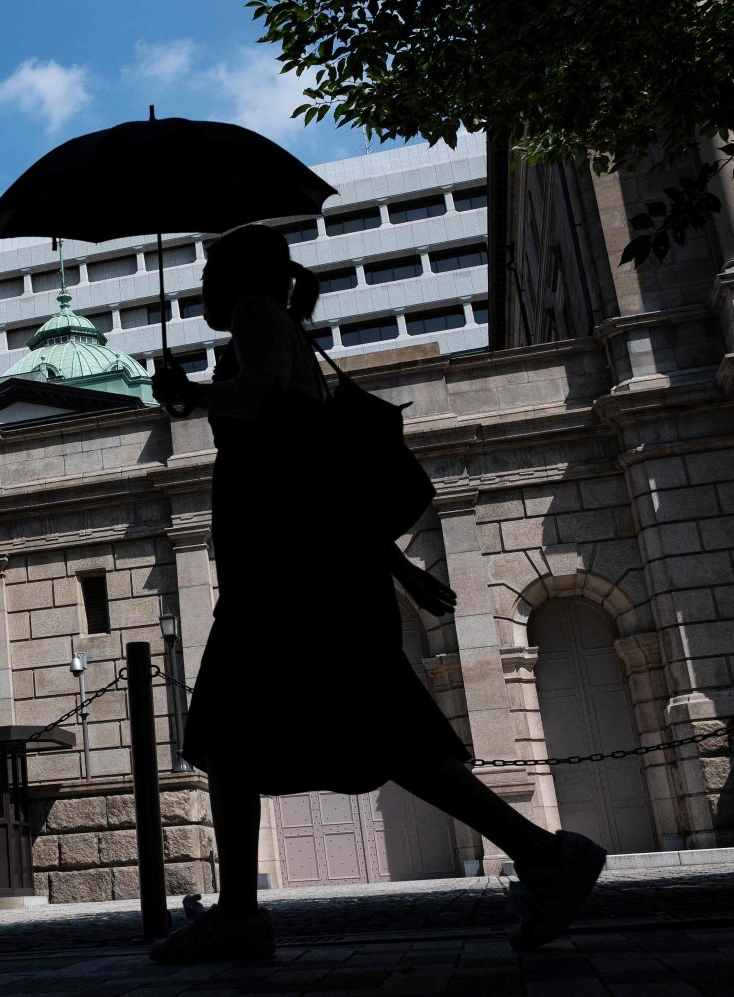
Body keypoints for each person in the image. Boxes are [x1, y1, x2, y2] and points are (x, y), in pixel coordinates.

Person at [147, 224, 605, 964]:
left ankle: (546, 856)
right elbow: (313, 474)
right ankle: (543, 857)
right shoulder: (282, 330)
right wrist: (396, 566)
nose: (200, 290)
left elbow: (266, 408)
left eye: (208, 276)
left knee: (268, 731)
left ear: (233, 281)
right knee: (331, 734)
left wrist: (192, 393)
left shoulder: (261, 316)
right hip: (305, 575)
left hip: (289, 585)